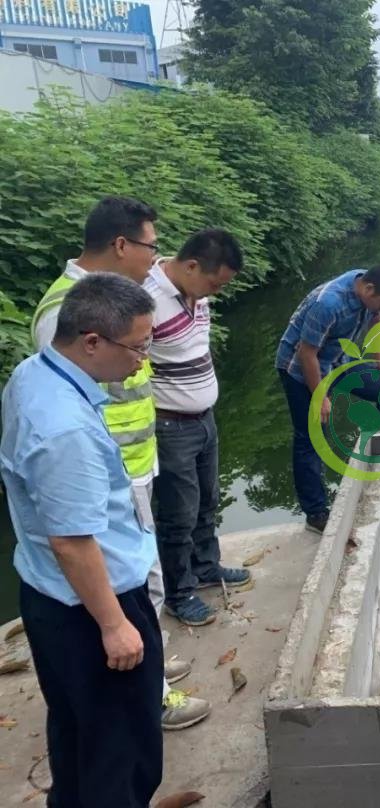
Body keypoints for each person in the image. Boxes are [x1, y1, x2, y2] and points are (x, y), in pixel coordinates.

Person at [30, 196, 210, 731]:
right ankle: (147, 698)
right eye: (152, 248)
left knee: (143, 579)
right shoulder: (65, 314)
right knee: (131, 585)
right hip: (105, 479)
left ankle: (150, 668)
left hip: (133, 465)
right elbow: (67, 416)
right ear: (121, 244)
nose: (156, 261)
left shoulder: (109, 302)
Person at [3, 275, 164, 807]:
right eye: (138, 347)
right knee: (123, 752)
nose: (143, 362)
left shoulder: (34, 373)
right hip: (95, 606)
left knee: (78, 735)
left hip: (53, 598)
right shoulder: (64, 427)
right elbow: (72, 542)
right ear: (92, 340)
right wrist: (115, 626)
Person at [276, 265, 380, 533]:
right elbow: (306, 354)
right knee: (310, 438)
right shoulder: (328, 304)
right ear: (368, 290)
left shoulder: (369, 285)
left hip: (337, 360)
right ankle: (316, 514)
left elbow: (377, 321)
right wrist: (320, 396)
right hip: (300, 368)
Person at [147, 229, 250, 627]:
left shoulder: (197, 295)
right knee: (178, 513)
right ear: (191, 265)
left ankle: (206, 567)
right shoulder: (145, 300)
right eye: (214, 282)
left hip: (204, 420)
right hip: (170, 426)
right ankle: (179, 593)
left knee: (208, 500)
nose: (216, 292)